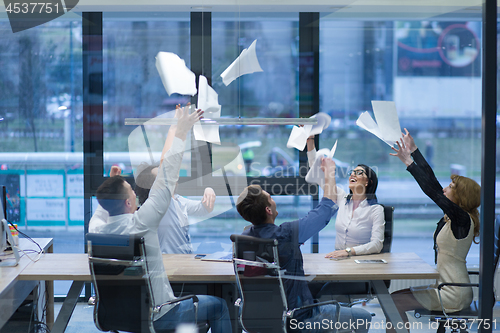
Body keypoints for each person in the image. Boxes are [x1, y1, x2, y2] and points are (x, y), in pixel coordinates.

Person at [94, 106, 232, 333]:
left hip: (116, 316)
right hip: (160, 313)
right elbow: (167, 176)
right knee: (219, 306)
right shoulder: (144, 223)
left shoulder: (98, 228)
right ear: (128, 203)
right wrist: (180, 133)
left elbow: (104, 208)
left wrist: (113, 184)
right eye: (130, 191)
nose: (135, 193)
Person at [236, 158, 372, 333]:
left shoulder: (244, 238)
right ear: (268, 210)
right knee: (363, 317)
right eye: (270, 197)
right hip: (299, 319)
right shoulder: (285, 235)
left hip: (257, 320)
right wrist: (330, 173)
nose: (273, 198)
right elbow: (325, 209)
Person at [388, 128, 480, 331]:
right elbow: (434, 185)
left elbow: (432, 192)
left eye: (450, 187)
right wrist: (414, 150)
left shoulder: (461, 219)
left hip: (452, 291)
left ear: (460, 198)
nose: (445, 189)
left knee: (393, 302)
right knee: (393, 300)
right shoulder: (457, 216)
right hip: (448, 287)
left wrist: (408, 162)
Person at [306, 136, 384, 258]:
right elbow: (317, 174)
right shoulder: (342, 198)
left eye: (359, 173)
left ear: (368, 182)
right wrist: (310, 142)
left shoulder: (376, 209)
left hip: (361, 262)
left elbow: (376, 245)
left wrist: (348, 251)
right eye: (352, 172)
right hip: (338, 259)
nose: (353, 174)